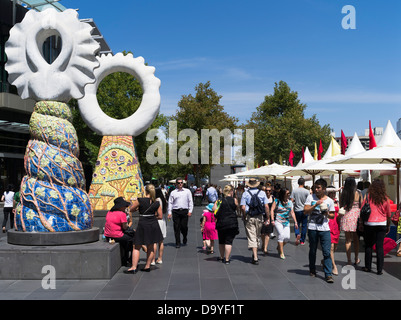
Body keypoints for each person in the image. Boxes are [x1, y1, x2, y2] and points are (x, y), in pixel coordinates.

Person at [124, 184, 163, 274]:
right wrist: (152, 216)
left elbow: (131, 209)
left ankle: (133, 267)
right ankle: (147, 266)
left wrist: (138, 209)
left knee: (136, 246)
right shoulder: (156, 202)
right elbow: (160, 216)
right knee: (151, 246)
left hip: (143, 224)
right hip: (153, 224)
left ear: (146, 191)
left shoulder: (140, 200)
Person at [304, 178, 335, 283]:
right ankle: (312, 269)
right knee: (312, 250)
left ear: (324, 189)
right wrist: (315, 205)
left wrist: (326, 213)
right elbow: (305, 211)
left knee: (326, 251)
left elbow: (332, 215)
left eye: (318, 188)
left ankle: (328, 274)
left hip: (325, 229)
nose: (316, 190)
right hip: (312, 228)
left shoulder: (329, 201)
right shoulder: (310, 197)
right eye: (315, 187)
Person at [361, 179, 391, 275]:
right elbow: (388, 213)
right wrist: (388, 225)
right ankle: (379, 269)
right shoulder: (385, 198)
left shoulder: (368, 197)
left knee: (368, 245)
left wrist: (361, 223)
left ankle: (368, 267)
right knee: (379, 247)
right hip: (382, 223)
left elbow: (362, 210)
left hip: (369, 223)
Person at [240, 179, 269, 265]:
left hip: (250, 217)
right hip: (259, 217)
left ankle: (255, 257)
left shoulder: (245, 193)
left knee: (252, 236)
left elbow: (242, 207)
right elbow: (266, 206)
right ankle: (255, 253)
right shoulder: (262, 193)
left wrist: (244, 216)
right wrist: (268, 217)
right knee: (257, 235)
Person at [104, 197, 134, 267]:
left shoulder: (109, 212)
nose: (125, 207)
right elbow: (125, 227)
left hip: (108, 236)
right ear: (120, 206)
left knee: (125, 240)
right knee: (133, 237)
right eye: (124, 206)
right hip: (117, 236)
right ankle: (131, 258)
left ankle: (125, 258)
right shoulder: (122, 214)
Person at [214, 184, 239, 264]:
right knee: (228, 241)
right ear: (231, 191)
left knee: (221, 241)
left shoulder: (219, 200)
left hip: (221, 223)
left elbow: (214, 209)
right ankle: (227, 259)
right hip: (232, 223)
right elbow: (237, 209)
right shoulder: (234, 200)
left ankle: (221, 257)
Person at [339, 177, 362, 266]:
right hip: (356, 216)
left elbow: (341, 205)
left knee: (347, 240)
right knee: (356, 240)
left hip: (346, 216)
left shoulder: (343, 194)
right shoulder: (358, 193)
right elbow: (362, 205)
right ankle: (356, 258)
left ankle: (349, 260)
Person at [270, 188, 298, 259]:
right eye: (287, 193)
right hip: (278, 220)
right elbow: (272, 210)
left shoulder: (290, 202)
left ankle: (279, 247)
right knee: (281, 235)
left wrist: (295, 222)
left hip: (286, 222)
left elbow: (292, 212)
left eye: (289, 193)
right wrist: (272, 220)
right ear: (283, 194)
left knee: (287, 238)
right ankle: (281, 253)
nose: (289, 194)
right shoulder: (277, 201)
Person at [167, 177, 194, 248]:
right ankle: (177, 242)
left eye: (181, 183)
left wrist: (190, 211)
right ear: (176, 184)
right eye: (179, 183)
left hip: (184, 211)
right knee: (176, 227)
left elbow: (190, 201)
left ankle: (185, 236)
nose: (180, 184)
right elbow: (170, 203)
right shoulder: (173, 192)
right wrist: (169, 212)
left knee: (184, 227)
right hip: (176, 211)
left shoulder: (187, 191)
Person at [290, 177, 310, 246]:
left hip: (297, 210)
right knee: (304, 226)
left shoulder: (294, 191)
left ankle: (297, 234)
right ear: (304, 183)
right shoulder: (307, 191)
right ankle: (302, 240)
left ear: (298, 183)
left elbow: (292, 200)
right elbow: (309, 201)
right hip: (304, 210)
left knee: (297, 224)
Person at [327, 186, 341, 276]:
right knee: (331, 247)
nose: (333, 194)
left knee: (335, 247)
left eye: (334, 192)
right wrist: (337, 189)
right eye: (332, 192)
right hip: (329, 224)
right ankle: (334, 266)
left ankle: (327, 259)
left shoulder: (337, 201)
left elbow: (338, 212)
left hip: (336, 224)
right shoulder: (326, 200)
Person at [152, 187, 167, 265]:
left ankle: (153, 259)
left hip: (157, 220)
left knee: (154, 241)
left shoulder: (157, 201)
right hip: (163, 221)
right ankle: (160, 258)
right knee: (161, 241)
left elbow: (157, 213)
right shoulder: (163, 200)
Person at [261, 185, 274, 254]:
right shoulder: (262, 198)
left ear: (271, 191)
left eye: (269, 190)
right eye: (266, 190)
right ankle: (263, 243)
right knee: (262, 233)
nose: (268, 192)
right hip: (263, 216)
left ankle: (265, 248)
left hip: (270, 217)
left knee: (268, 233)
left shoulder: (273, 198)